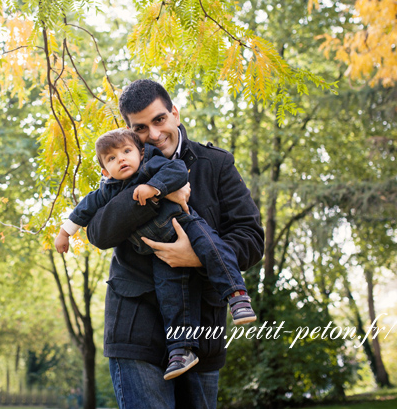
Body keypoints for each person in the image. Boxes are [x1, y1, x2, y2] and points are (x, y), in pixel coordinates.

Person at [86, 80, 264, 409]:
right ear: (129, 130)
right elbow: (97, 232)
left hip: (202, 329)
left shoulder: (216, 164)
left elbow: (251, 238)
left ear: (175, 114)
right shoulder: (121, 167)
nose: (153, 134)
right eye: (140, 127)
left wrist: (196, 256)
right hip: (136, 329)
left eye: (159, 120)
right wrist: (155, 194)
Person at [54, 128, 257, 379]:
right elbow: (84, 210)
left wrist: (154, 187)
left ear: (140, 153)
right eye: (112, 158)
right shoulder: (108, 191)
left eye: (127, 152)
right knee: (172, 297)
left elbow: (178, 171)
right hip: (158, 251)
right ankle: (181, 350)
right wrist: (65, 232)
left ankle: (237, 296)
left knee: (213, 249)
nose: (122, 159)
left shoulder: (152, 165)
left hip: (186, 225)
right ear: (105, 171)